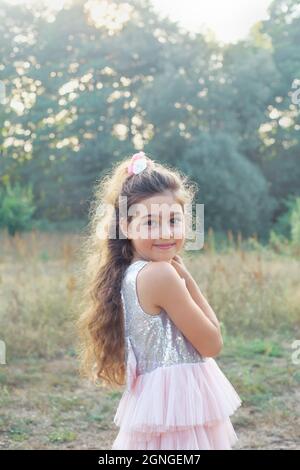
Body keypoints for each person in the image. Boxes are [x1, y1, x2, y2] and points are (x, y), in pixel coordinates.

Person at [77, 151, 242, 450]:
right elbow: (212, 343)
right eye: (150, 222)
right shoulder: (161, 275)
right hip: (180, 405)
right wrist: (187, 279)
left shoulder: (131, 272)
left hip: (161, 403)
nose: (166, 232)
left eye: (173, 220)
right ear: (127, 227)